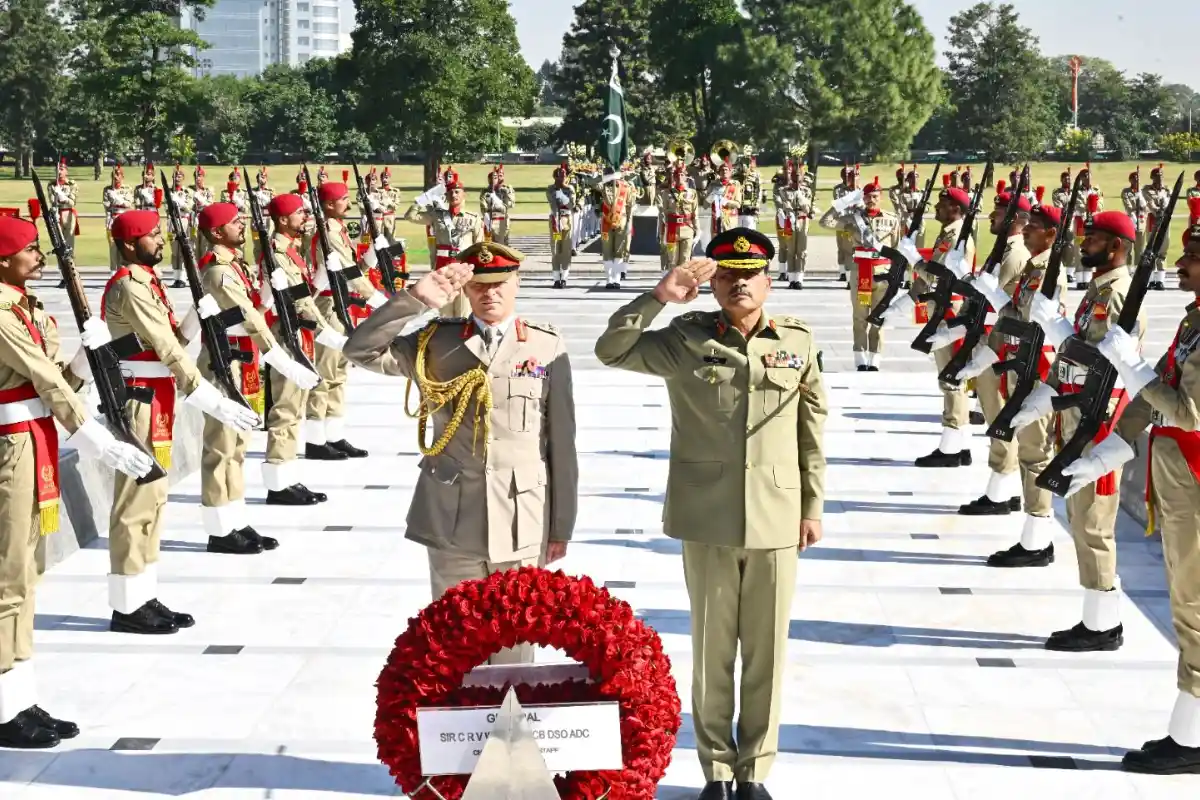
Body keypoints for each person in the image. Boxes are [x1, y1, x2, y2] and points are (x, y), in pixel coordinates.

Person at [594, 228, 826, 800]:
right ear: (713, 283)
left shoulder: (795, 340)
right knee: (712, 649)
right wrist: (657, 296)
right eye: (726, 275)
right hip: (708, 517)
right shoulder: (684, 338)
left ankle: (755, 773)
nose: (738, 283)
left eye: (749, 274)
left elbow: (811, 431)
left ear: (769, 280)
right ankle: (717, 771)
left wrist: (812, 505)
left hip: (777, 516)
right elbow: (612, 349)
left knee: (767, 651)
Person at [344, 242, 577, 664]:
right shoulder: (436, 341)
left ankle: (512, 732)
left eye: (501, 284)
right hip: (453, 520)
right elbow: (360, 350)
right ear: (464, 292)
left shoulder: (545, 346)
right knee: (455, 649)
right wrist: (413, 301)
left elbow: (560, 443)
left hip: (521, 519)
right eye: (479, 286)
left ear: (517, 284)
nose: (490, 294)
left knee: (514, 651)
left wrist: (560, 527)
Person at [0, 214, 155, 748]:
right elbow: (42, 382)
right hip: (11, 446)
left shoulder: (27, 305)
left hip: (35, 438)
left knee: (26, 571)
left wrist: (90, 359)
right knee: (8, 575)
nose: (39, 258)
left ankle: (18, 697)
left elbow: (58, 379)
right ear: (3, 259)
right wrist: (99, 440)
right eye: (29, 250)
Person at [1057, 224, 1200, 774]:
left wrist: (1131, 368)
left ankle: (1192, 739)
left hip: (1195, 478)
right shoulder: (1193, 321)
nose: (1181, 265)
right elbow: (1156, 388)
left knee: (1194, 609)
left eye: (1193, 256)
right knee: (1188, 606)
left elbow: (1188, 411)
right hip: (1178, 481)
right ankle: (1188, 729)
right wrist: (1107, 453)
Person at [99, 209, 260, 634]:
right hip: (139, 400)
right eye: (153, 235)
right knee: (135, 506)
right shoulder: (129, 287)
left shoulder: (148, 283)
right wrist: (208, 397)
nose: (161, 239)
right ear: (131, 244)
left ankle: (142, 593)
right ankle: (127, 606)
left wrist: (196, 315)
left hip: (157, 398)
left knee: (153, 502)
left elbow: (175, 337)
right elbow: (167, 348)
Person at [1006, 210, 1146, 651]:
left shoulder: (1120, 292)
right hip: (1077, 409)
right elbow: (1082, 351)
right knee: (1082, 519)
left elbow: (1115, 362)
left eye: (1095, 239)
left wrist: (1061, 330)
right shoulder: (1100, 287)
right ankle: (1097, 617)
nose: (1084, 244)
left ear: (1117, 247)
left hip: (1098, 421)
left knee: (1094, 523)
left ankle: (1104, 625)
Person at [194, 202, 320, 551]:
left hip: (240, 359)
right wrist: (279, 357)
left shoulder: (235, 265)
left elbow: (253, 308)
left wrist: (266, 293)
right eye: (235, 222)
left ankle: (235, 519)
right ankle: (220, 530)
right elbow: (249, 317)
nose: (243, 225)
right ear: (217, 232)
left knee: (236, 446)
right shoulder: (219, 272)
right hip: (224, 363)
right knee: (221, 448)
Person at [952, 190, 1032, 514]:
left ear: (1014, 220)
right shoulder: (1003, 251)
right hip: (991, 341)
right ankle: (1007, 487)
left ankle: (1000, 493)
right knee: (994, 415)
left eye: (998, 214)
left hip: (999, 348)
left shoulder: (1013, 255)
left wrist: (965, 279)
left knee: (999, 418)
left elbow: (992, 297)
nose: (990, 218)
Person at [260, 192, 334, 505]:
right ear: (282, 220)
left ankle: (287, 476)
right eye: (298, 213)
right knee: (286, 409)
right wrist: (328, 332)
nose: (304, 217)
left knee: (296, 408)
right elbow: (299, 302)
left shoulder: (291, 251)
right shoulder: (277, 253)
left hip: (299, 337)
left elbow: (304, 294)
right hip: (286, 337)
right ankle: (277, 483)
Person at [306, 180, 388, 461]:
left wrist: (372, 256)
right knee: (325, 374)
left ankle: (334, 434)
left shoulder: (338, 231)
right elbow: (349, 274)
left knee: (339, 373)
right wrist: (380, 301)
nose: (348, 204)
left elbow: (354, 270)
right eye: (343, 199)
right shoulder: (328, 233)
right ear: (329, 205)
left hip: (341, 304)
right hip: (328, 305)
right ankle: (316, 441)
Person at [820, 179, 899, 371]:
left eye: (875, 197)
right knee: (860, 317)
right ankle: (860, 357)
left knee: (879, 317)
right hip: (860, 273)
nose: (871, 200)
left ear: (880, 197)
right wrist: (843, 203)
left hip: (883, 274)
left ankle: (875, 358)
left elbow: (896, 247)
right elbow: (825, 222)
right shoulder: (851, 219)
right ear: (862, 198)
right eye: (868, 197)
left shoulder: (892, 219)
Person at [404, 167, 484, 317]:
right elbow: (410, 216)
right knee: (445, 314)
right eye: (451, 192)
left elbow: (479, 246)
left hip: (463, 269)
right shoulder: (437, 216)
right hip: (443, 268)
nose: (454, 195)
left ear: (463, 194)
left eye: (457, 192)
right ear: (446, 196)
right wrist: (423, 199)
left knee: (463, 314)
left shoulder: (473, 218)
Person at [784, 164, 819, 290]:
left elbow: (808, 206)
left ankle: (799, 279)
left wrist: (800, 195)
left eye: (799, 175)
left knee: (802, 251)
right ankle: (791, 278)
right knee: (791, 250)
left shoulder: (807, 191)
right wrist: (790, 212)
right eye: (794, 175)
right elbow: (786, 204)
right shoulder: (785, 190)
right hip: (790, 220)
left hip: (803, 220)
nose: (797, 177)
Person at [660, 162, 699, 272]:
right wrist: (662, 232)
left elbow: (695, 214)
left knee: (685, 260)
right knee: (672, 260)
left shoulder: (692, 193)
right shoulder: (667, 193)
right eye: (677, 175)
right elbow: (664, 213)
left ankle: (683, 287)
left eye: (682, 175)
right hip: (672, 229)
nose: (679, 177)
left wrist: (698, 231)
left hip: (687, 229)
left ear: (686, 177)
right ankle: (673, 285)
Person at [600, 168, 635, 290]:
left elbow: (630, 205)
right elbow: (593, 185)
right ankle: (609, 279)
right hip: (606, 222)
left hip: (622, 220)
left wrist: (629, 223)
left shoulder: (626, 187)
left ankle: (617, 279)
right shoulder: (603, 186)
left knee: (619, 250)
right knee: (607, 250)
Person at [1143, 164, 1172, 290]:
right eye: (1156, 176)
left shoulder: (1167, 190)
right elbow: (1150, 204)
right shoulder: (1146, 190)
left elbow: (1171, 204)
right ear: (1151, 177)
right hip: (1153, 221)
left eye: (1161, 175)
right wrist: (1159, 210)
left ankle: (1159, 280)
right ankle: (1150, 280)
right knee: (1151, 250)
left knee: (1163, 249)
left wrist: (1165, 207)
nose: (1159, 178)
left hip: (1165, 222)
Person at [166, 164, 195, 288]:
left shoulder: (188, 192)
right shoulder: (168, 191)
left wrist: (178, 201)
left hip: (183, 220)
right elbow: (166, 208)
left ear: (183, 178)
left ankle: (183, 277)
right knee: (175, 251)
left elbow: (189, 207)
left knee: (183, 250)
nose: (177, 178)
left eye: (179, 176)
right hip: (172, 221)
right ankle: (176, 277)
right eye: (175, 175)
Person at [102, 164, 134, 273]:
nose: (116, 177)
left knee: (123, 247)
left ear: (122, 177)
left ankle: (122, 271)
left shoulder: (127, 189)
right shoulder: (107, 189)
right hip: (113, 219)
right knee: (112, 247)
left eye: (118, 175)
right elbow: (106, 205)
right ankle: (113, 272)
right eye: (114, 175)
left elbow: (129, 203)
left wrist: (117, 199)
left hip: (124, 219)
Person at [547, 166, 575, 288]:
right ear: (555, 177)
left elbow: (571, 205)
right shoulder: (550, 189)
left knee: (566, 248)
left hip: (566, 220)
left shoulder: (570, 189)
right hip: (556, 221)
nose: (563, 178)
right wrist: (559, 192)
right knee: (556, 249)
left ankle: (564, 277)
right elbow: (553, 204)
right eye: (560, 176)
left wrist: (563, 194)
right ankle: (556, 277)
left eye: (564, 176)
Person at [831, 165, 860, 282]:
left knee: (852, 248)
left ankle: (849, 273)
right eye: (846, 176)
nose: (848, 178)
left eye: (850, 176)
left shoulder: (858, 189)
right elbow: (839, 203)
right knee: (841, 247)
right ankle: (842, 271)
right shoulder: (838, 189)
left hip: (855, 222)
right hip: (842, 220)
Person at [1051, 168, 1079, 286]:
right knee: (1063, 245)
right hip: (1063, 222)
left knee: (1075, 246)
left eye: (1069, 178)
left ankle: (1072, 272)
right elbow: (1059, 206)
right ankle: (1063, 270)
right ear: (1061, 180)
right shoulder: (1057, 193)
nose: (1068, 180)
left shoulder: (1076, 191)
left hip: (1076, 221)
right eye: (1065, 178)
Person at [480, 166, 516, 245]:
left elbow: (510, 204)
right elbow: (483, 207)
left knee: (502, 244)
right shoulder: (485, 192)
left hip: (502, 220)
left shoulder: (506, 189)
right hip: (489, 219)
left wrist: (506, 194)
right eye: (495, 177)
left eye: (500, 176)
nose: (498, 178)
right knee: (488, 244)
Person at [1123, 168, 1150, 266]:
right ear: (1130, 180)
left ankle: (1137, 269)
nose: (1136, 180)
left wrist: (1142, 203)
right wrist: (1137, 207)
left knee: (1140, 249)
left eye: (1138, 178)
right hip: (1130, 221)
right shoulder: (1126, 192)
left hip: (1141, 221)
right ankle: (1128, 269)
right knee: (1128, 248)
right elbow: (1128, 207)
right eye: (1134, 178)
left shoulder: (1143, 192)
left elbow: (1147, 207)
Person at [191, 165, 215, 259]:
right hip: (194, 219)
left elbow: (210, 204)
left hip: (204, 219)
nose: (197, 178)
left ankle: (204, 267)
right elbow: (189, 205)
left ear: (203, 177)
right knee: (194, 245)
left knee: (205, 245)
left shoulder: (209, 190)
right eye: (196, 176)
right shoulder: (189, 190)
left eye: (200, 176)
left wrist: (200, 199)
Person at [376, 167, 403, 245]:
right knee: (378, 239)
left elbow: (396, 206)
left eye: (386, 177)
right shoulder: (377, 191)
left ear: (390, 178)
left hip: (389, 217)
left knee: (390, 239)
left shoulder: (395, 191)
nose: (384, 180)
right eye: (383, 177)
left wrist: (388, 200)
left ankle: (393, 256)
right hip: (379, 217)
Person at [737, 155, 764, 230]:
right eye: (743, 163)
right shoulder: (735, 176)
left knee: (749, 234)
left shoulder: (755, 176)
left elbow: (759, 193)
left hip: (750, 210)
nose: (745, 166)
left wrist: (757, 207)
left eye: (747, 163)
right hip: (736, 211)